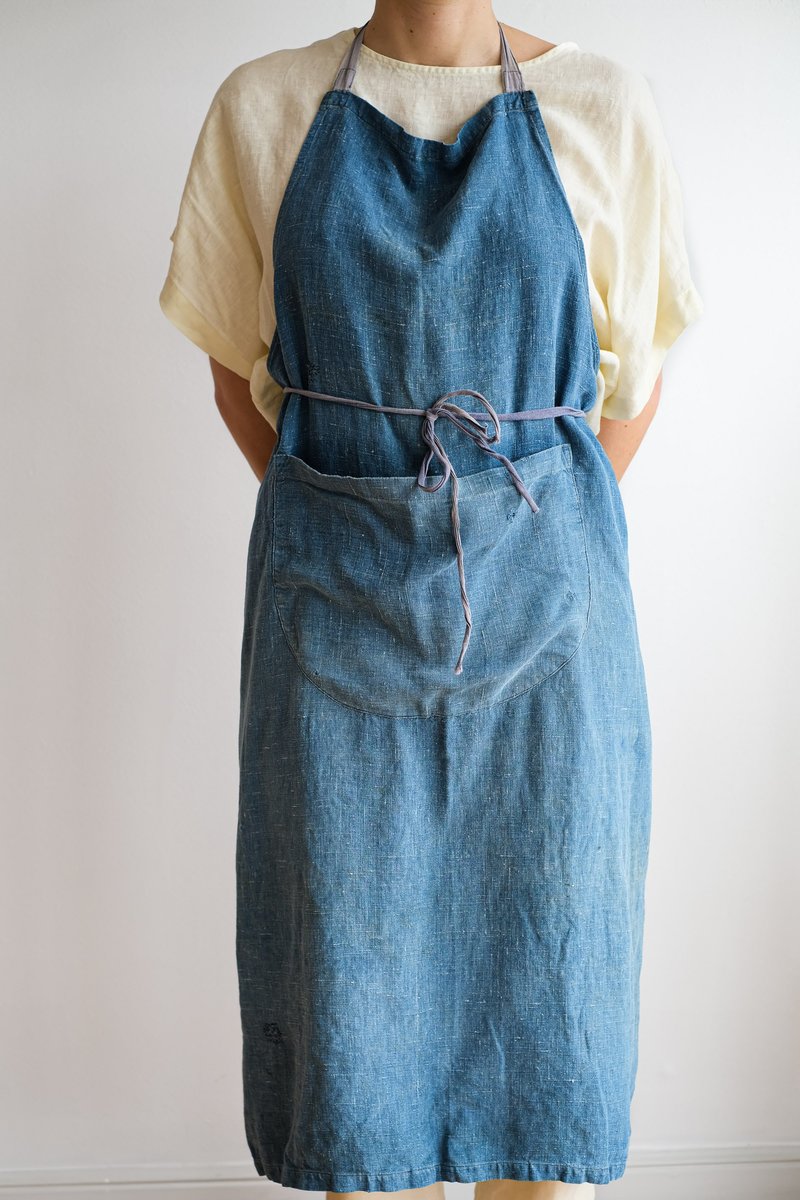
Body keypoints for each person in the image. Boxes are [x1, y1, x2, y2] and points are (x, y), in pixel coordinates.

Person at [159, 3, 703, 1197]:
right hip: (330, 627)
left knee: (544, 995)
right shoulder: (261, 107)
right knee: (355, 1013)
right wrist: (360, 517)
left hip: (551, 638)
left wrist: (515, 536)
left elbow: (632, 381)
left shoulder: (607, 104)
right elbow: (230, 365)